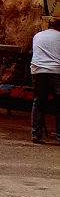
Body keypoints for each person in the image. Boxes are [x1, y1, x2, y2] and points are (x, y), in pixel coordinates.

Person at [31, 16, 60, 144]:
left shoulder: (37, 36)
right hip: (55, 71)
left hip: (38, 71)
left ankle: (36, 134)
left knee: (38, 102)